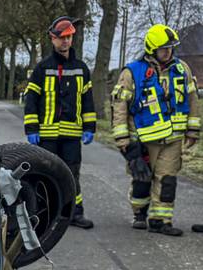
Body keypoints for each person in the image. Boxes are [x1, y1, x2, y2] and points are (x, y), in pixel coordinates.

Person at [111, 25, 200, 235]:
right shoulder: (132, 72)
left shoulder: (182, 69)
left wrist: (193, 131)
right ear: (152, 49)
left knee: (167, 180)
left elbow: (192, 100)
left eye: (170, 48)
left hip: (173, 139)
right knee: (142, 179)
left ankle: (161, 221)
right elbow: (120, 107)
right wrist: (124, 141)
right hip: (143, 140)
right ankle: (139, 214)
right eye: (163, 48)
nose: (168, 52)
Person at [23, 16, 97, 228]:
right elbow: (31, 101)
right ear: (52, 39)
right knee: (47, 175)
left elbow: (88, 101)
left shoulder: (82, 69)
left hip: (72, 135)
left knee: (72, 175)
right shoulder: (42, 69)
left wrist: (90, 127)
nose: (65, 41)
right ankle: (46, 215)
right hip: (47, 135)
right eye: (61, 38)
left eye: (68, 37)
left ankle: (74, 212)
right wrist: (31, 128)